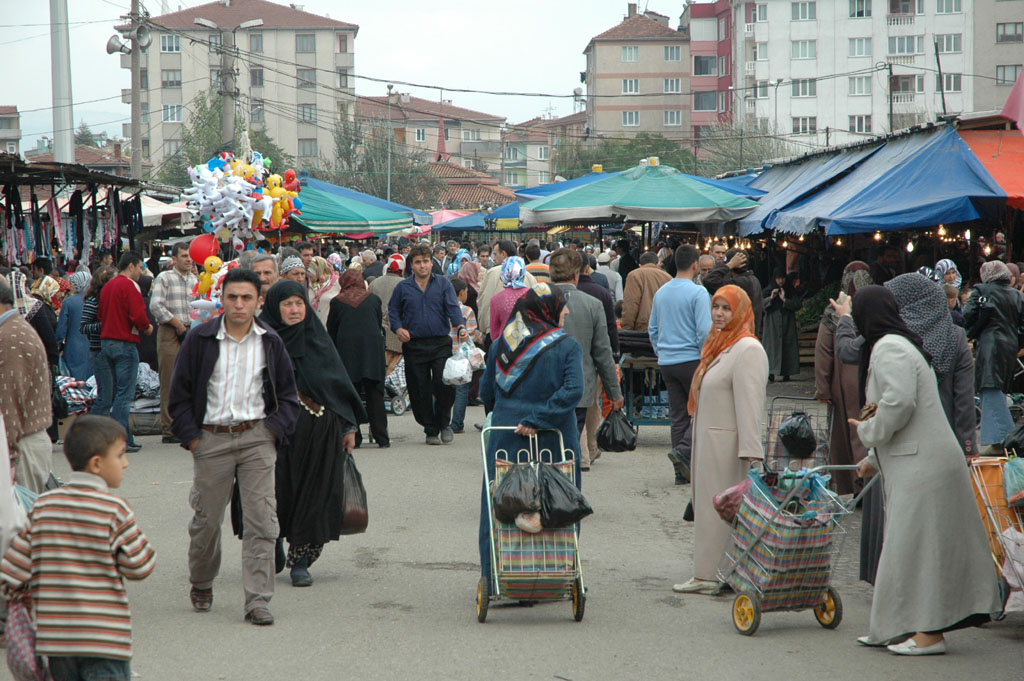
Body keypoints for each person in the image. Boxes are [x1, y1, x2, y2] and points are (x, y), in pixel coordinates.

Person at [847, 285, 1000, 654]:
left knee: (916, 551)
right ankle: (894, 626)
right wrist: (872, 459)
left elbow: (898, 404)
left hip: (923, 467)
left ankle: (928, 634)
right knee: (912, 549)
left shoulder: (888, 348)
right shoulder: (900, 344)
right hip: (923, 462)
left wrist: (867, 432)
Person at [168, 268, 300, 626]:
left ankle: (257, 599)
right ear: (221, 298)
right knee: (207, 520)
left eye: (246, 298)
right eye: (232, 297)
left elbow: (288, 398)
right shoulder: (200, 340)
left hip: (258, 437)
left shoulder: (270, 341)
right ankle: (202, 580)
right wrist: (194, 439)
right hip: (211, 439)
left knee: (262, 520)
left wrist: (272, 431)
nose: (239, 305)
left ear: (259, 301)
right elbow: (177, 396)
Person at [0, 415, 156, 680]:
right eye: (120, 456)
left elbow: (12, 571)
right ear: (97, 464)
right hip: (105, 640)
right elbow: (140, 566)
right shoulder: (114, 510)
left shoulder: (43, 506)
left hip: (57, 642)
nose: (126, 463)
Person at [478, 284, 584, 587]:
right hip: (555, 438)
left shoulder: (501, 345)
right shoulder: (567, 346)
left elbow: (487, 392)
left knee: (500, 502)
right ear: (548, 310)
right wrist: (540, 418)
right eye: (562, 306)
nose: (567, 311)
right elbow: (573, 391)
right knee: (559, 502)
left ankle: (497, 576)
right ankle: (558, 573)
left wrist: (511, 413)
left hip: (506, 435)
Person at [262, 281, 366, 587]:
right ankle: (273, 542)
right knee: (277, 493)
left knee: (316, 493)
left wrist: (349, 427)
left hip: (321, 431)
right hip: (275, 435)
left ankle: (302, 559)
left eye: (299, 304)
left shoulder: (318, 339)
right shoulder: (264, 340)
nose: (295, 310)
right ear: (274, 307)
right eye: (287, 304)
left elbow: (338, 383)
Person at [675, 285, 767, 594]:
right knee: (707, 512)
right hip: (711, 445)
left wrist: (752, 453)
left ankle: (718, 573)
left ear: (739, 311)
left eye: (726, 308)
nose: (718, 313)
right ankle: (707, 573)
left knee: (722, 514)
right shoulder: (719, 345)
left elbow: (751, 404)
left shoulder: (748, 349)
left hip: (728, 450)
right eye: (715, 307)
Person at [885, 274, 977, 456]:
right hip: (944, 439)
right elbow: (964, 398)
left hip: (898, 443)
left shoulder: (890, 339)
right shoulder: (955, 336)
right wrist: (968, 445)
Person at [549, 248, 624, 470]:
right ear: (577, 275)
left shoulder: (533, 298)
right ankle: (567, 488)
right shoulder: (593, 304)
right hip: (580, 387)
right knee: (571, 441)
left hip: (542, 388)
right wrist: (614, 392)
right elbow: (603, 353)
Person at [388, 243, 467, 445]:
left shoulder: (443, 284)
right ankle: (429, 428)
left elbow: (453, 308)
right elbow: (393, 312)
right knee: (418, 389)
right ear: (411, 266)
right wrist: (398, 329)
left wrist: (460, 326)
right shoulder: (402, 287)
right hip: (414, 345)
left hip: (440, 343)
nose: (422, 266)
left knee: (445, 384)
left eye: (425, 261)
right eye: (418, 262)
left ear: (431, 264)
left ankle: (444, 423)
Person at [648, 245, 712, 485]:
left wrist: (660, 350)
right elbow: (704, 330)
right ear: (695, 265)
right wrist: (705, 357)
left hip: (667, 361)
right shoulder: (698, 293)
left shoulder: (662, 292)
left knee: (678, 415)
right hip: (692, 360)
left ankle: (680, 471)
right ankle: (685, 451)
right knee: (704, 410)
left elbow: (652, 329)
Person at [814, 262, 872, 496]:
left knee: (846, 432)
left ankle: (852, 483)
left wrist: (823, 388)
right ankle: (870, 482)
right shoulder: (874, 305)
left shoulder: (835, 311)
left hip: (843, 379)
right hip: (871, 376)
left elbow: (823, 351)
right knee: (868, 426)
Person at [964, 260, 1024, 453]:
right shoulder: (1017, 295)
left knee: (990, 388)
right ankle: (998, 440)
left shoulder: (982, 291)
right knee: (996, 390)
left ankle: (1004, 440)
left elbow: (967, 315)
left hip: (989, 344)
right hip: (1010, 345)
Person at [0, 278, 53, 494]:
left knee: (20, 523)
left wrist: (9, 459)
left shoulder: (10, 337)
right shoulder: (12, 330)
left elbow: (8, 403)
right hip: (22, 444)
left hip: (21, 447)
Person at [98, 252, 153, 453]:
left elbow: (101, 314)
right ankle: (123, 439)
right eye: (140, 267)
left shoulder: (108, 286)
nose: (141, 272)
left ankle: (117, 437)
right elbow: (138, 314)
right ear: (131, 266)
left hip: (107, 342)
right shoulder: (128, 285)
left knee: (114, 394)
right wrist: (146, 327)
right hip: (124, 343)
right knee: (124, 394)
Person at [328, 269, 389, 448]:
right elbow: (378, 322)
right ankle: (382, 437)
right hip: (372, 353)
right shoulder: (373, 299)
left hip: (347, 354)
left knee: (350, 395)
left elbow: (332, 330)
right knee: (375, 394)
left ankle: (355, 436)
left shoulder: (337, 302)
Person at [149, 243, 197, 444]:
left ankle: (187, 424)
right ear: (174, 259)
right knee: (169, 379)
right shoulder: (164, 278)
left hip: (191, 331)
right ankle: (169, 429)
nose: (188, 259)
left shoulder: (195, 280)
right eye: (184, 256)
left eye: (190, 256)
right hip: (170, 330)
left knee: (190, 379)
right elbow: (155, 305)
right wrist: (176, 323)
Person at [478, 240, 537, 342]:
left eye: (495, 254)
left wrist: (483, 327)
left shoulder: (493, 273)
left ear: (504, 254)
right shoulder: (530, 277)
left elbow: (484, 302)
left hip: (497, 337)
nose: (493, 257)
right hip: (526, 339)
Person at [447, 278, 484, 434]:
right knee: (461, 389)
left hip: (446, 352)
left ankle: (439, 420)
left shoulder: (443, 307)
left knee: (443, 386)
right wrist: (484, 338)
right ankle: (457, 423)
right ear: (461, 293)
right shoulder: (467, 310)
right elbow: (471, 334)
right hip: (461, 355)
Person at [702, 249, 765, 337]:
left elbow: (709, 280)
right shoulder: (754, 280)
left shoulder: (740, 283)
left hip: (740, 338)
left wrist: (729, 265)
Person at [369, 253, 406, 377]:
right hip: (398, 336)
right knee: (393, 371)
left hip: (377, 333)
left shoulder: (374, 283)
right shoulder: (406, 285)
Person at [762, 269, 801, 382]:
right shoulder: (768, 290)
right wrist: (771, 298)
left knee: (787, 346)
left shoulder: (790, 290)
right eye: (778, 278)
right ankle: (771, 372)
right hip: (772, 322)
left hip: (787, 321)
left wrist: (785, 300)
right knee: (771, 346)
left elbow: (797, 304)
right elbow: (761, 304)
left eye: (782, 278)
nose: (780, 281)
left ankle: (787, 371)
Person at [621, 251, 671, 332]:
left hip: (643, 328)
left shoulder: (634, 275)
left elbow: (631, 303)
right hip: (663, 328)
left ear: (640, 265)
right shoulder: (668, 277)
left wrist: (627, 328)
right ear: (657, 263)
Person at [55, 271, 92, 381]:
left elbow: (61, 330)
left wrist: (57, 343)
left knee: (76, 380)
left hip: (73, 347)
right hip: (93, 345)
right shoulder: (96, 301)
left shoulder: (69, 302)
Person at [488, 255, 530, 339]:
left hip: (505, 346)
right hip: (530, 347)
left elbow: (494, 333)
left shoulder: (496, 299)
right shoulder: (533, 294)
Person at [307, 256, 340, 325]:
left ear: (319, 270)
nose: (308, 274)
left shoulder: (338, 283)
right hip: (312, 329)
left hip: (330, 328)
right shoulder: (307, 284)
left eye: (310, 271)